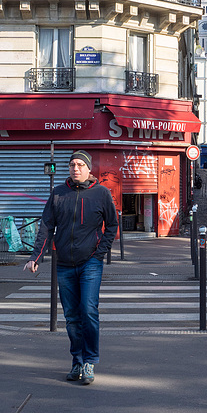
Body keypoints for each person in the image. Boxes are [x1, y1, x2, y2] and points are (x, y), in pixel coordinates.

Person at [24, 150, 118, 385]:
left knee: (88, 311)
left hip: (90, 263)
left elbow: (112, 225)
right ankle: (77, 361)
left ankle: (89, 361)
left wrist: (100, 253)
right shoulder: (58, 194)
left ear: (88, 169)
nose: (75, 168)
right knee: (72, 317)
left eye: (79, 165)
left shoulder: (101, 193)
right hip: (65, 264)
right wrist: (36, 257)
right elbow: (46, 226)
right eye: (72, 165)